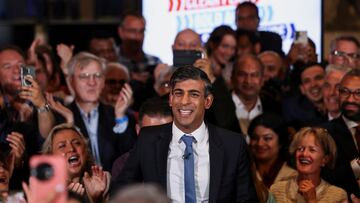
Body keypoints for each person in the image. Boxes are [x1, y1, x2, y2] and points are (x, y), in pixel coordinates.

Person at [114, 66, 258, 202]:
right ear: (170, 99)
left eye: (194, 94)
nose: (184, 101)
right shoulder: (148, 139)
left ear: (207, 101)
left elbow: (246, 199)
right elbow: (122, 191)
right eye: (178, 93)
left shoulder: (232, 144)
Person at [55, 52, 137, 172]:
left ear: (103, 80)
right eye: (84, 76)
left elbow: (131, 160)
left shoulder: (120, 116)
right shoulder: (60, 116)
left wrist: (120, 117)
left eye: (97, 76)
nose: (92, 82)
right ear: (71, 81)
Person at [270, 127, 347, 202]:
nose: (304, 154)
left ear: (325, 159)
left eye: (312, 150)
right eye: (300, 149)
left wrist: (312, 200)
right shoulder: (276, 190)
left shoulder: (338, 196)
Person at [42, 123, 111, 203]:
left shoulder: (103, 180)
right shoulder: (45, 192)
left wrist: (97, 200)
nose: (71, 149)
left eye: (77, 143)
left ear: (86, 151)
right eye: (62, 146)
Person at [321, 69, 360, 198]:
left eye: (358, 93)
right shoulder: (325, 133)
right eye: (344, 92)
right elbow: (324, 177)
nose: (350, 99)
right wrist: (357, 164)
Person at [248, 113, 296, 188]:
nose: (260, 144)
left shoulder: (292, 176)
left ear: (280, 142)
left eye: (267, 138)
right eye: (255, 138)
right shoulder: (243, 171)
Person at [282, 62, 327, 131]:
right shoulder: (293, 110)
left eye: (318, 78)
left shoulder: (340, 103)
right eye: (307, 81)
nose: (313, 84)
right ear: (302, 89)